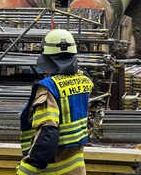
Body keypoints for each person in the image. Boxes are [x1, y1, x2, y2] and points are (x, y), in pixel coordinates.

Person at [17, 29, 93, 175]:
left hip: (52, 169)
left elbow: (48, 134)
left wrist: (27, 170)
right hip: (76, 168)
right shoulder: (84, 81)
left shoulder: (49, 88)